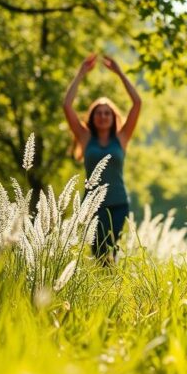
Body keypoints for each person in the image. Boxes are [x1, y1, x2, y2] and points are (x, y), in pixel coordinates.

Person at [64, 53, 141, 264]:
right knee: (98, 251)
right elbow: (67, 106)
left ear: (113, 116)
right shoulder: (85, 137)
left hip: (118, 203)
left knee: (111, 249)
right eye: (99, 113)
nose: (103, 116)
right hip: (92, 204)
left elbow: (137, 104)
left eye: (107, 113)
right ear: (92, 116)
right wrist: (80, 74)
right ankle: (103, 288)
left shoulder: (122, 138)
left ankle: (111, 286)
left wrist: (120, 74)